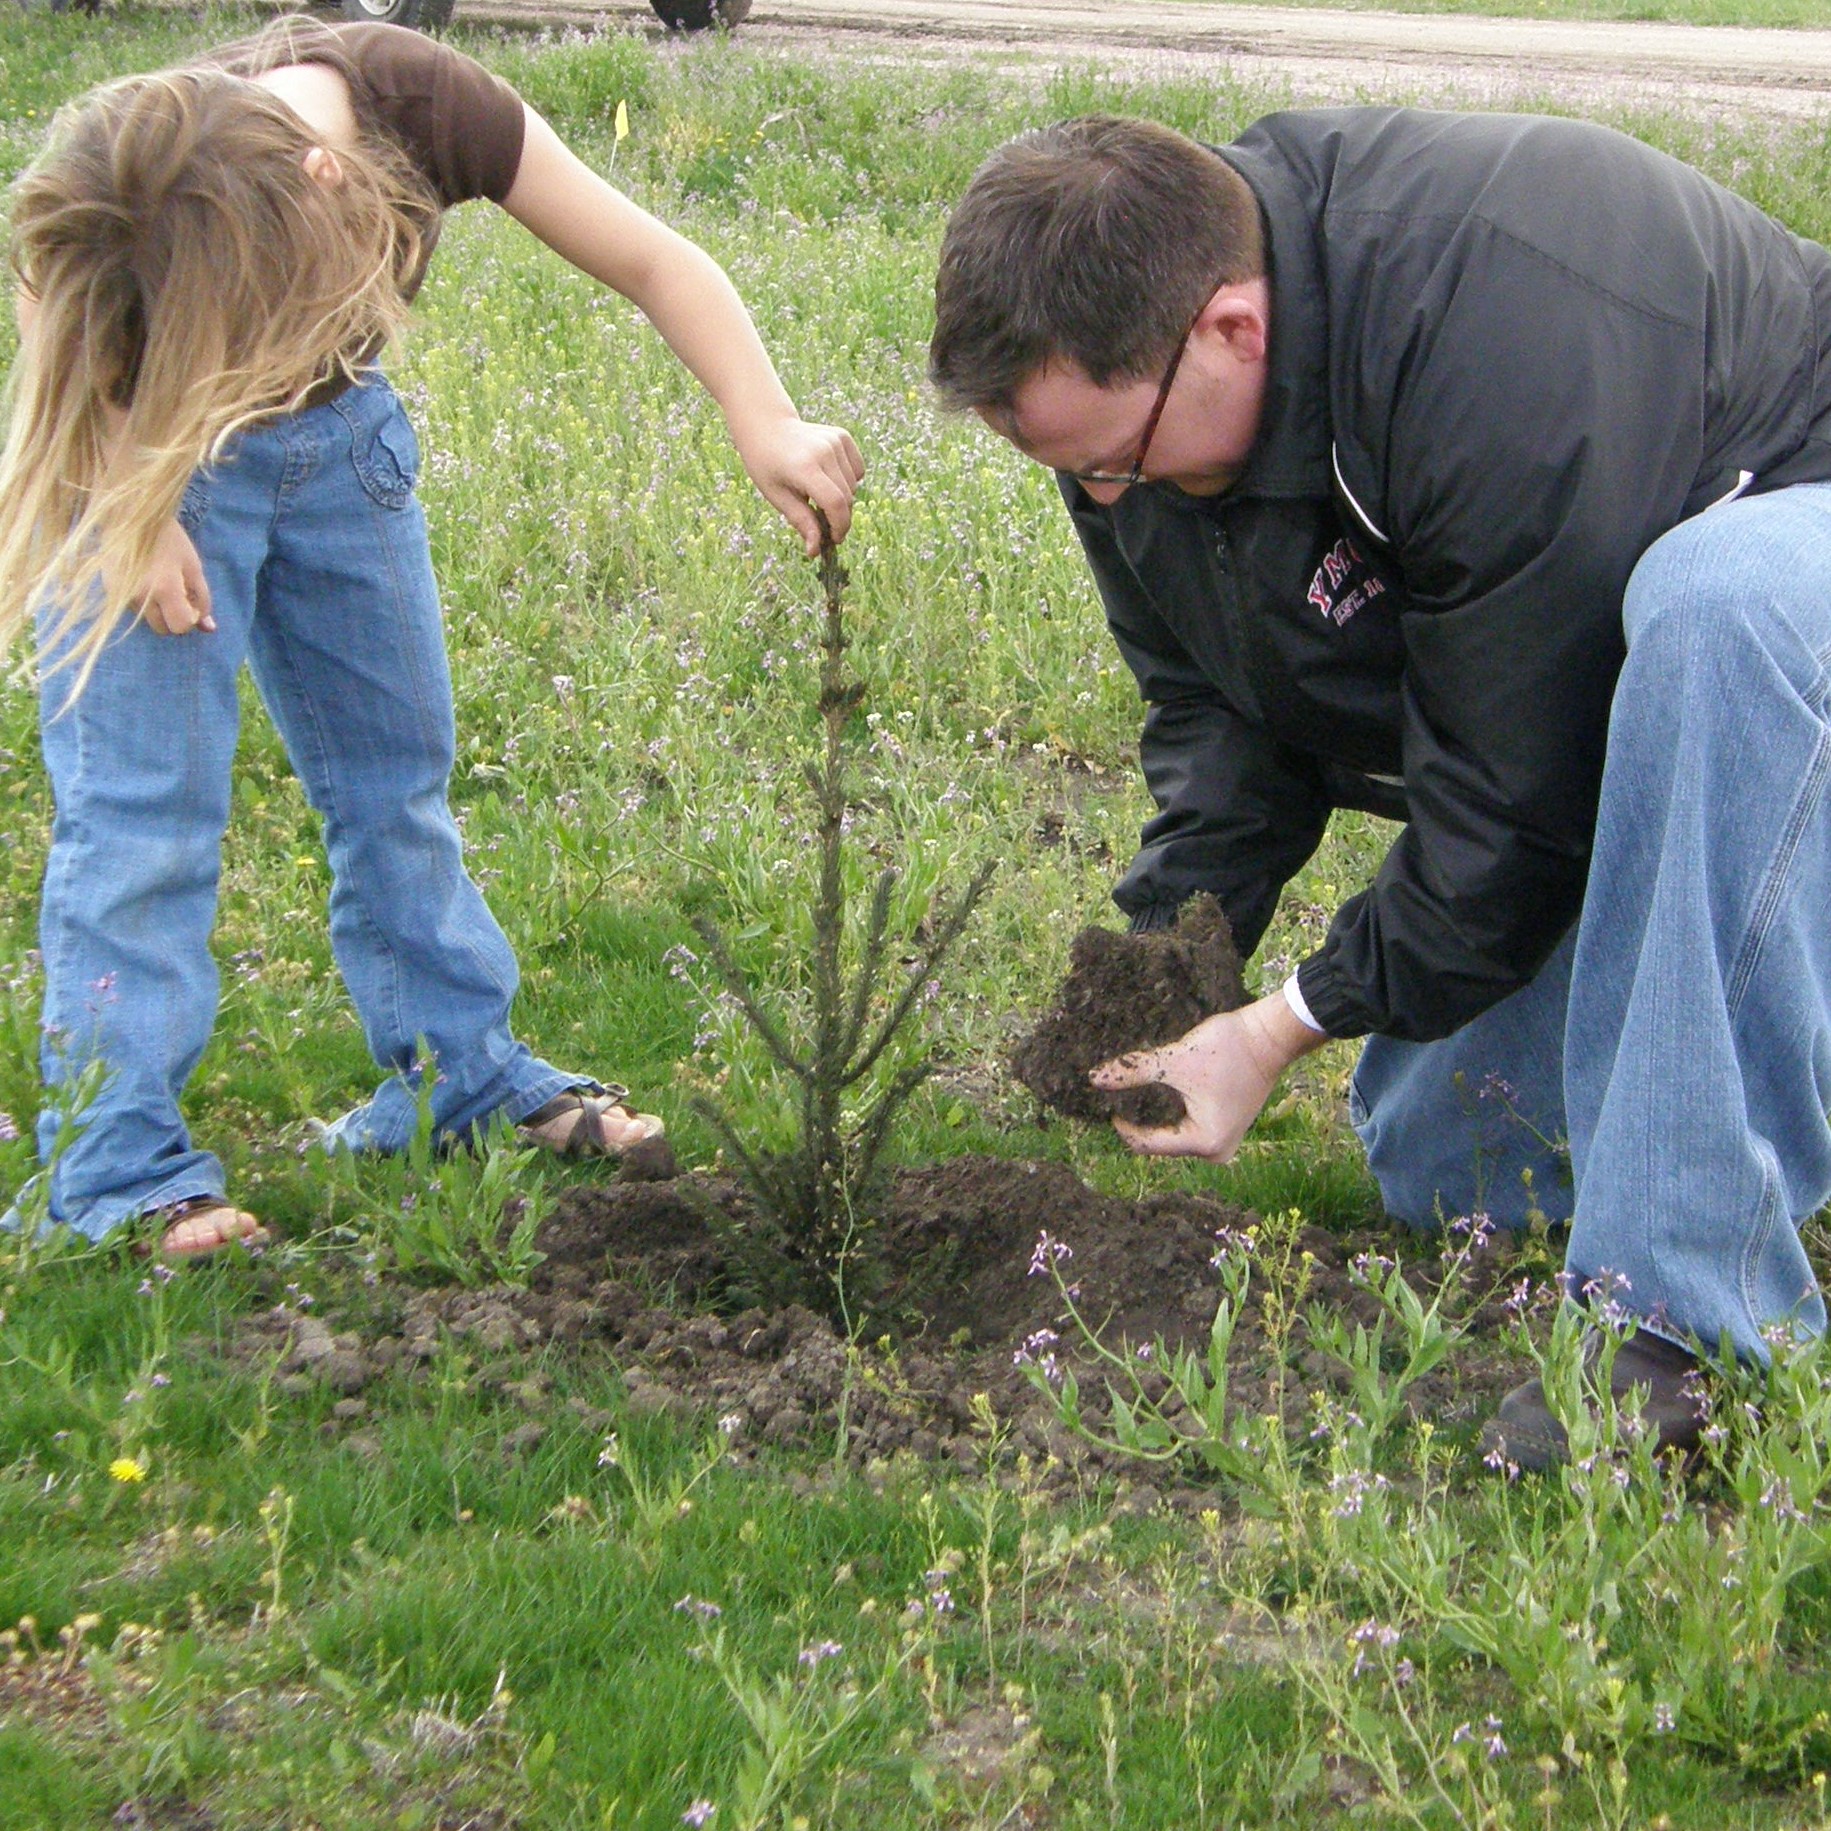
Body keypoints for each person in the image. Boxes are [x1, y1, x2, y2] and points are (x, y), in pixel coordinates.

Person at [930, 108, 1831, 1468]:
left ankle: (1679, 1326)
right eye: (1068, 474)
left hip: (1785, 576)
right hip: (1632, 683)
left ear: (1230, 329)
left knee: (1714, 605)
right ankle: (1755, 1030)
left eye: (1111, 461)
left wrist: (1282, 1024)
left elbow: (1507, 801)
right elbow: (1218, 707)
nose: (1105, 502)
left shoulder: (1493, 335)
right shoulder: (1139, 407)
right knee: (1449, 1162)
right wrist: (1174, 961)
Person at [1, 19, 864, 1262]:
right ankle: (116, 1167)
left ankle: (460, 1078)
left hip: (346, 447)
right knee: (141, 816)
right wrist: (122, 496)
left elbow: (653, 259)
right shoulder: (127, 159)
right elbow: (52, 297)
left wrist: (765, 420)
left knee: (394, 780)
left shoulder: (421, 101)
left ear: (327, 184)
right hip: (154, 456)